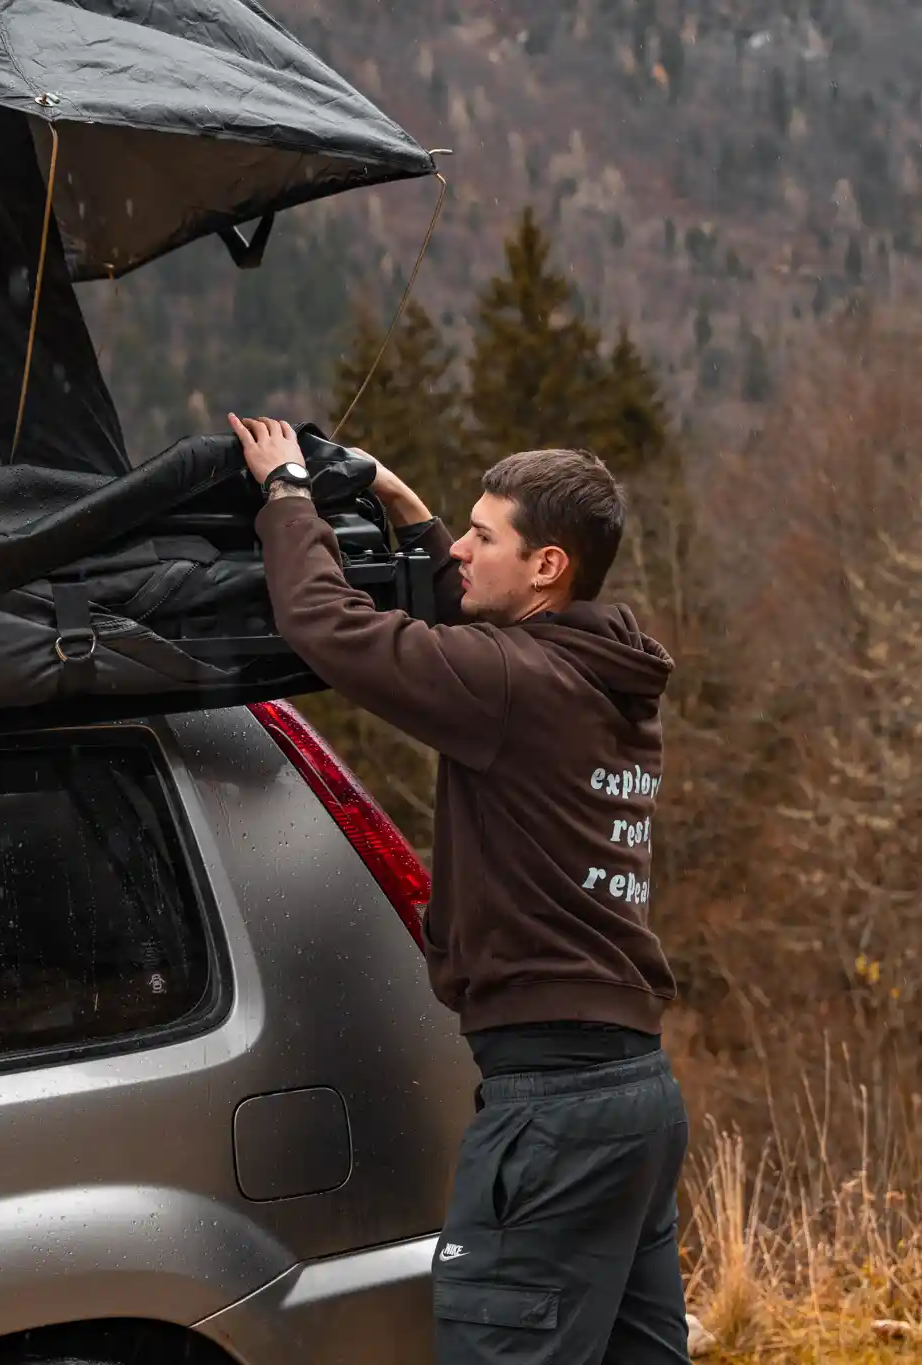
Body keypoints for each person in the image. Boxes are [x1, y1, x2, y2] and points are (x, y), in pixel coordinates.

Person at [228, 414, 689, 1365]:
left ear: (548, 566)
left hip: (550, 1113)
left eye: (484, 536)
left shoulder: (512, 684)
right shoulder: (602, 678)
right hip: (632, 1100)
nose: (464, 552)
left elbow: (328, 627)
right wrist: (409, 510)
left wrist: (286, 495)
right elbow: (481, 631)